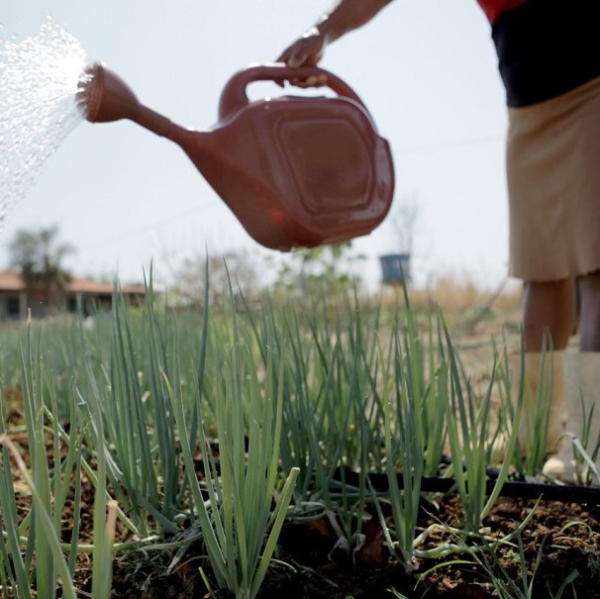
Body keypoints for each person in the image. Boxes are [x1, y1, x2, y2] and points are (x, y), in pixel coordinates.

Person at [277, 0, 600, 481]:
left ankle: (594, 444)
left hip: (593, 86)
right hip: (530, 110)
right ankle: (536, 433)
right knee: (542, 271)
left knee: (596, 270)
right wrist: (321, 32)